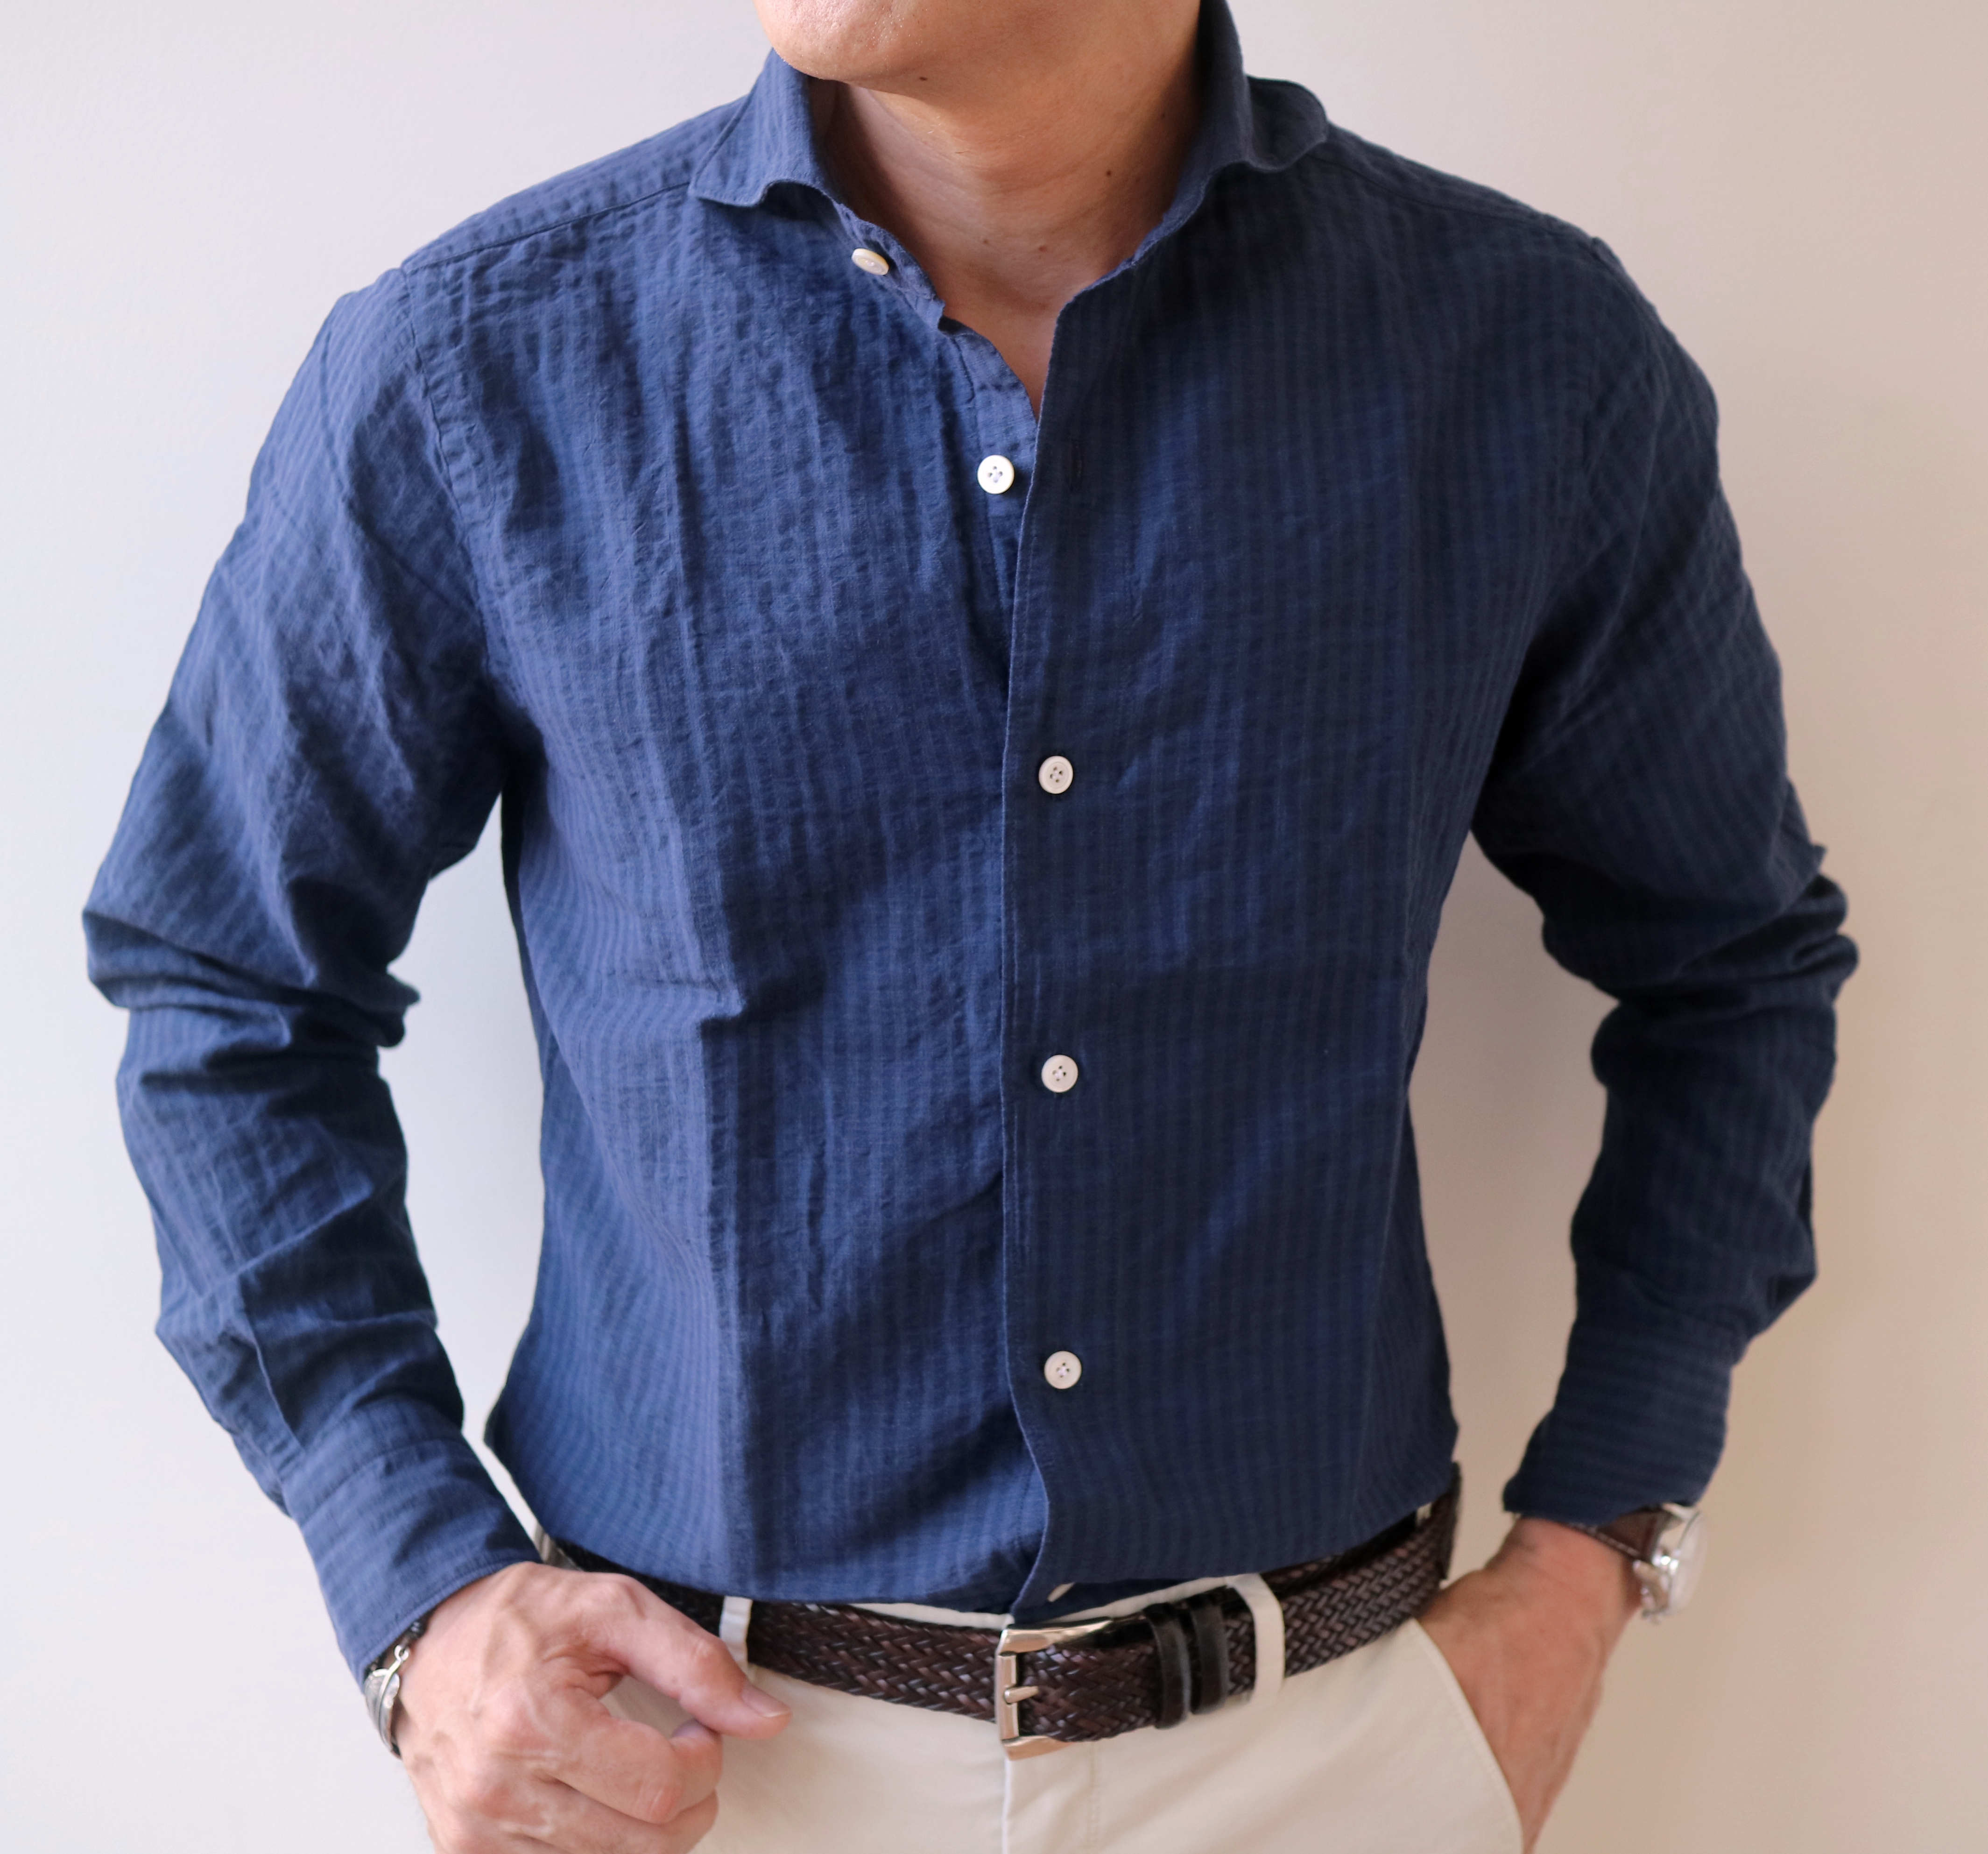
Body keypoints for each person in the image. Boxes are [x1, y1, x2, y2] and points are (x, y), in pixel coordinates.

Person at [85, 0, 1854, 1849]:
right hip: (688, 1773)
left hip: (1333, 1752)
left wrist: (1594, 1551)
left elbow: (1729, 967)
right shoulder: (479, 363)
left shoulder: (1526, 356)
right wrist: (417, 1589)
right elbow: (225, 984)